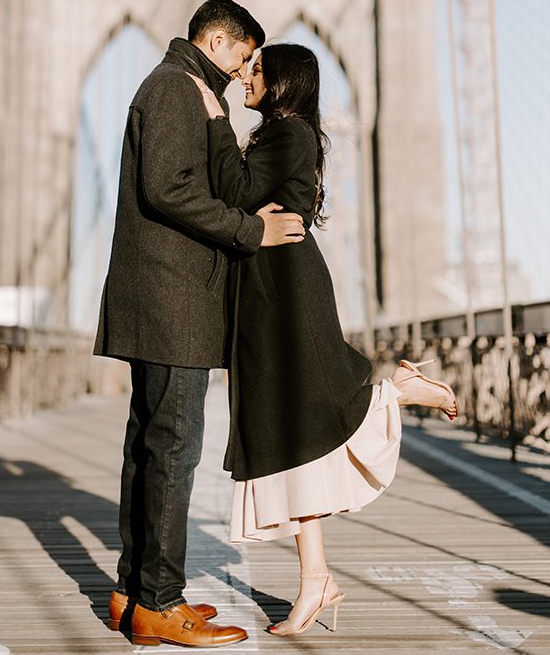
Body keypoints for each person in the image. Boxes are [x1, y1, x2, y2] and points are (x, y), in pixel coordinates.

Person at [190, 42, 458, 637]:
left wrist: (214, 118)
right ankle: (317, 578)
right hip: (268, 288)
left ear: (285, 82)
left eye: (259, 69)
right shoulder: (281, 134)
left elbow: (234, 193)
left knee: (309, 415)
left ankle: (398, 392)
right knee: (292, 432)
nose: (246, 77)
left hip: (286, 290)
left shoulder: (287, 134)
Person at [94, 0, 306, 648]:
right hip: (171, 298)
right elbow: (168, 188)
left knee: (150, 445)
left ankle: (135, 591)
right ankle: (160, 603)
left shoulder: (184, 89)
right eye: (242, 56)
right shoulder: (174, 89)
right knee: (174, 449)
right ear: (215, 41)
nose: (244, 71)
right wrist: (249, 230)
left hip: (164, 295)